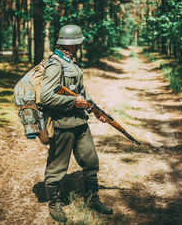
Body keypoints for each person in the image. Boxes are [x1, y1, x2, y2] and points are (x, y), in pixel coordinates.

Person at [40, 24, 113, 222]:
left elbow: (79, 90)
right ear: (72, 44)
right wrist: (74, 102)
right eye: (78, 43)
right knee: (57, 167)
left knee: (91, 161)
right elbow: (46, 96)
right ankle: (55, 204)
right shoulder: (55, 64)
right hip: (63, 125)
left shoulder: (70, 61)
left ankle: (92, 199)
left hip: (80, 123)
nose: (79, 46)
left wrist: (95, 109)